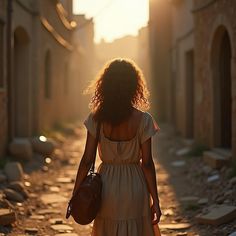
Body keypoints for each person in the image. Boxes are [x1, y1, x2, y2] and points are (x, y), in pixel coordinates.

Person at [72, 58, 162, 236]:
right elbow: (147, 164)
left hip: (106, 187)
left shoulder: (96, 119)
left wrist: (76, 194)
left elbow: (87, 160)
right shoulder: (144, 120)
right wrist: (156, 201)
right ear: (134, 86)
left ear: (105, 86)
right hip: (135, 187)